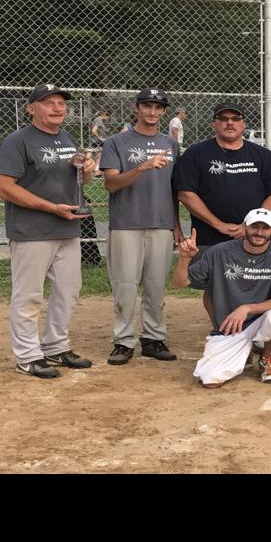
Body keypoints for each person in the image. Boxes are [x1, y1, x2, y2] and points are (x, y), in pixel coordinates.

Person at [0, 83, 98, 379]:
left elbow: (80, 182)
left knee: (68, 291)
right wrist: (50, 208)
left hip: (68, 227)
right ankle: (27, 356)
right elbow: (1, 187)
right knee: (28, 296)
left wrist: (87, 169)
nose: (57, 108)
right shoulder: (17, 141)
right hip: (32, 229)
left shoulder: (66, 136)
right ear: (31, 108)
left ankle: (55, 345)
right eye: (48, 102)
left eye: (61, 103)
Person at [100, 87, 182, 366]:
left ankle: (153, 338)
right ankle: (123, 341)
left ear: (163, 112)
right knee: (124, 285)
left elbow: (174, 188)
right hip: (126, 222)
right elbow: (110, 183)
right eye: (147, 106)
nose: (152, 112)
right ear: (136, 108)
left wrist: (176, 226)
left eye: (158, 107)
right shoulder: (116, 142)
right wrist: (141, 168)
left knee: (156, 285)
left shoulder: (170, 144)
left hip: (160, 222)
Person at [173, 209, 271, 387]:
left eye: (265, 228)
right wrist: (184, 259)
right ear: (244, 227)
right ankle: (244, 352)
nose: (259, 232)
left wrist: (246, 308)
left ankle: (267, 358)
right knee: (210, 381)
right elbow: (179, 283)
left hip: (261, 320)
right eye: (254, 226)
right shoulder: (220, 252)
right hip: (230, 327)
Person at [172, 100, 271, 252]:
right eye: (223, 119)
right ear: (213, 124)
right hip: (208, 239)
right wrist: (219, 225)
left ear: (244, 124)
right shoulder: (196, 153)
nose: (230, 123)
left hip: (253, 239)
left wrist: (250, 226)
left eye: (235, 119)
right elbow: (186, 194)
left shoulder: (262, 155)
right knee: (207, 275)